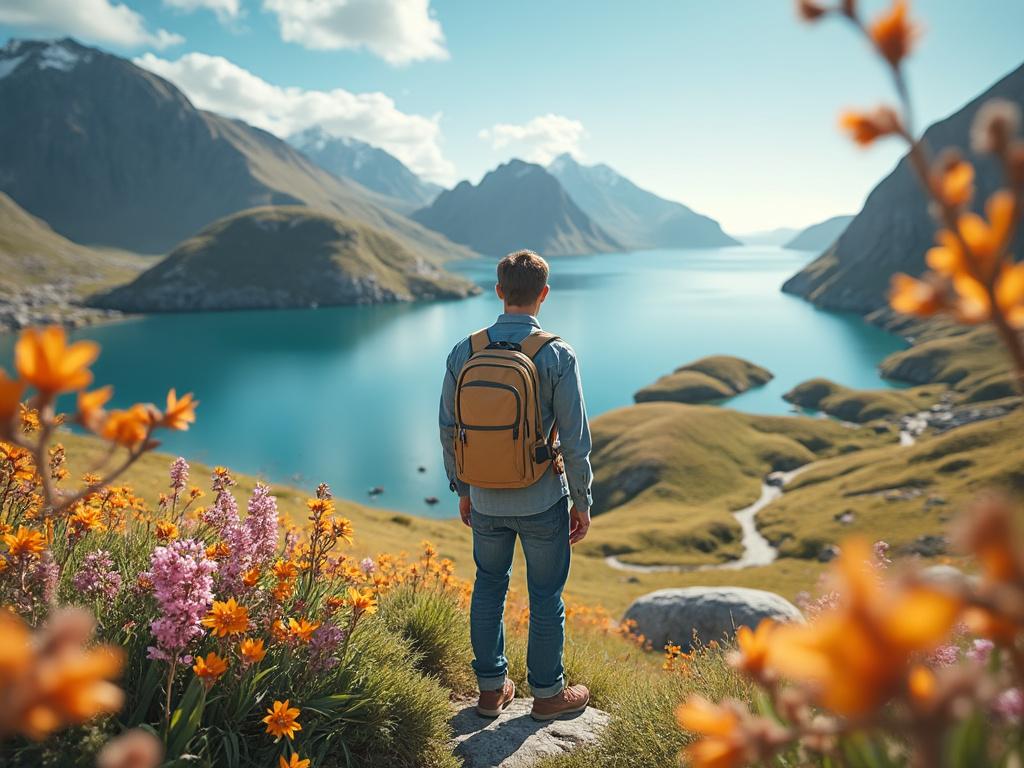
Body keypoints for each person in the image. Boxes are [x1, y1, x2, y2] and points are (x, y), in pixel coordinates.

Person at [439, 249, 594, 721]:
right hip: (542, 498)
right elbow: (576, 437)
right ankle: (547, 696)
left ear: (499, 291)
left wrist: (462, 488)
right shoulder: (557, 353)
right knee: (546, 596)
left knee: (489, 585)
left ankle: (490, 690)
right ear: (544, 294)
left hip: (484, 497)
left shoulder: (465, 349)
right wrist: (583, 501)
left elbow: (448, 427)